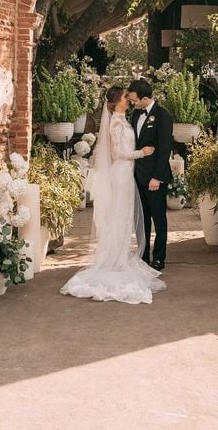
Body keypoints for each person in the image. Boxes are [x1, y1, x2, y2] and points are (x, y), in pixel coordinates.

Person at [60, 86, 166, 305]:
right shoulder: (117, 122)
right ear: (117, 100)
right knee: (119, 215)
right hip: (121, 173)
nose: (129, 99)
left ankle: (121, 254)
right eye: (125, 97)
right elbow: (117, 153)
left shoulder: (125, 118)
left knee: (125, 216)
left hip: (128, 174)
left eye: (130, 97)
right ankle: (114, 259)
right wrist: (141, 153)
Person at [127, 78, 173, 270]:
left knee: (159, 219)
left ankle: (159, 258)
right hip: (138, 176)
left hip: (155, 177)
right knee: (142, 219)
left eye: (135, 100)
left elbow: (165, 149)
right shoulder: (135, 116)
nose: (132, 103)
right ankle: (143, 255)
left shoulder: (163, 116)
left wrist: (157, 177)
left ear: (145, 98)